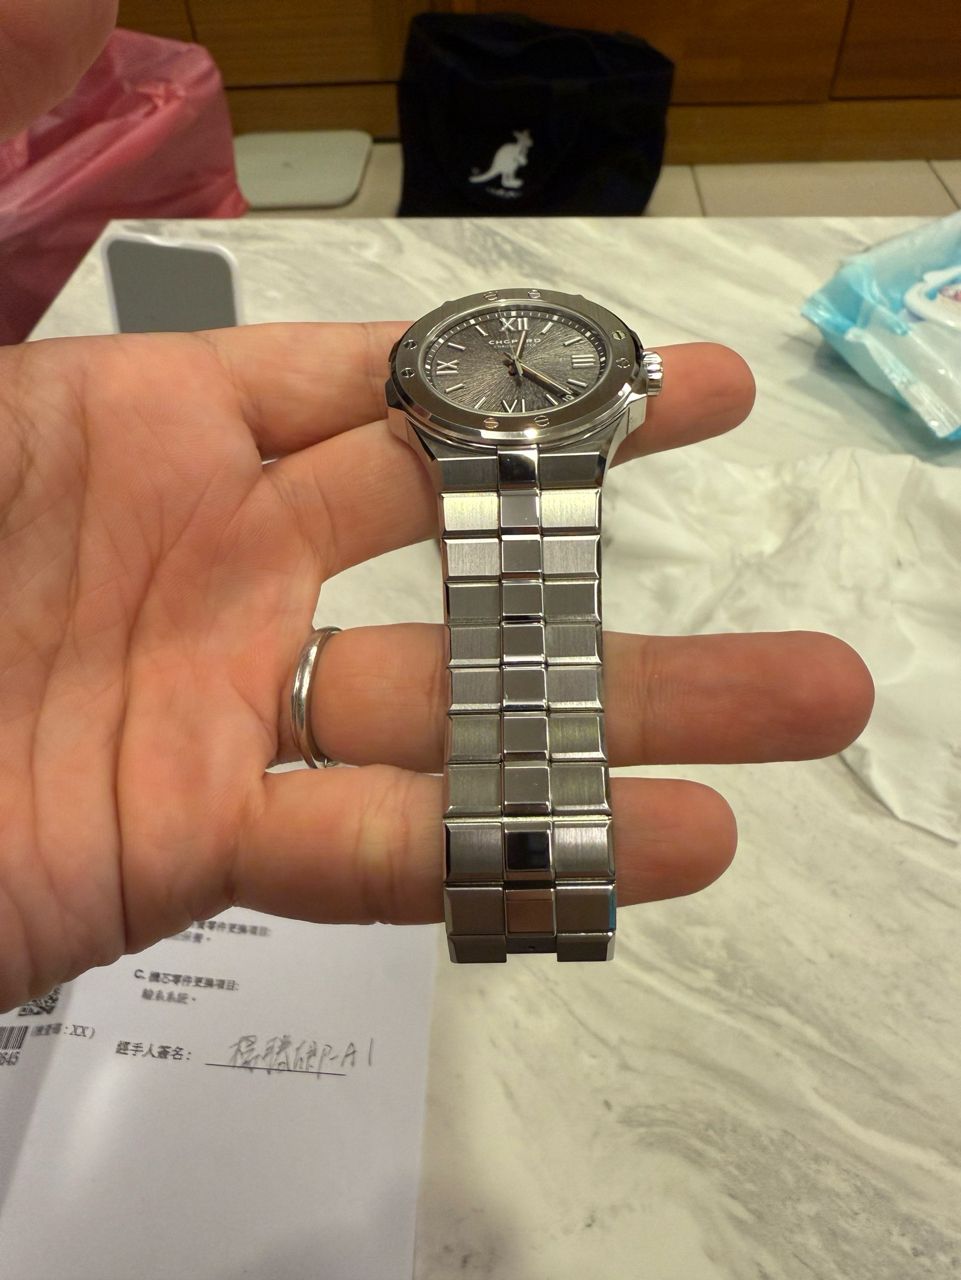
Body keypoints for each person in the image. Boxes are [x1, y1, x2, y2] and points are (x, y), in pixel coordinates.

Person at [0, 3, 874, 1012]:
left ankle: (540, 902)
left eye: (534, 359)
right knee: (524, 700)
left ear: (630, 383)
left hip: (547, 445)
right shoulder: (440, 395)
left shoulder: (590, 388)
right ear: (410, 388)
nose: (516, 361)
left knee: (553, 693)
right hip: (472, 447)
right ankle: (527, 905)